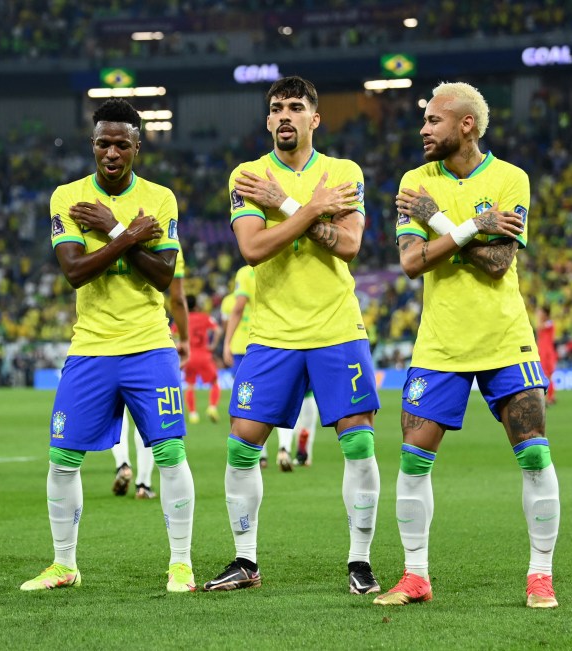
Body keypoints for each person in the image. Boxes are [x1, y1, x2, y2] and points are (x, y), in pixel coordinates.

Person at [375, 82, 559, 609]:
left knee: (534, 457)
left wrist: (440, 223)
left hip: (505, 340)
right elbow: (412, 263)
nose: (423, 128)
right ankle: (415, 577)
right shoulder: (416, 181)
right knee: (412, 462)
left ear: (465, 126)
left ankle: (540, 577)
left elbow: (500, 263)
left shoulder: (510, 179)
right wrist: (475, 227)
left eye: (433, 120)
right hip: (440, 345)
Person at [203, 76, 382, 594]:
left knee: (359, 443)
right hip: (273, 333)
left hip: (335, 328)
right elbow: (253, 250)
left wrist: (283, 206)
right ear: (267, 120)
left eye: (296, 107)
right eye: (276, 108)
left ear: (314, 119)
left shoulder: (343, 172)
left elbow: (348, 245)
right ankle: (245, 559)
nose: (285, 115)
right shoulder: (248, 174)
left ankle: (360, 561)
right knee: (242, 446)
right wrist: (308, 209)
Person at [22, 98, 196, 593]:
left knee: (170, 453)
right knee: (61, 459)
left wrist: (111, 230)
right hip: (91, 347)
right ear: (92, 145)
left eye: (123, 143)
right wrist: (128, 235)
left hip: (149, 345)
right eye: (104, 143)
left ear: (138, 146)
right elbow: (75, 271)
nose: (112, 152)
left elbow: (163, 277)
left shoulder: (161, 198)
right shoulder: (68, 198)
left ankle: (180, 564)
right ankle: (64, 565)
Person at [110, 248, 190, 500]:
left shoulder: (97, 235)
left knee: (117, 413)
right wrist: (185, 338)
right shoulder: (166, 244)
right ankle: (143, 483)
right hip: (147, 340)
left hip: (105, 338)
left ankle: (123, 464)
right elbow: (176, 298)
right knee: (147, 416)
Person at [222, 265, 316, 471]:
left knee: (248, 406)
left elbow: (238, 307)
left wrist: (226, 342)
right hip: (287, 342)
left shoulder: (246, 272)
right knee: (286, 400)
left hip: (248, 346)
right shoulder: (289, 264)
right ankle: (285, 448)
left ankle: (260, 455)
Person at [183, 294, 221, 424]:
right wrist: (213, 345)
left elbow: (172, 333)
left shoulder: (183, 319)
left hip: (189, 357)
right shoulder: (205, 317)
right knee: (215, 382)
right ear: (196, 305)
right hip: (204, 355)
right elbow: (218, 330)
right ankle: (212, 407)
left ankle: (193, 414)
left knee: (190, 386)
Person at [535, 306, 557, 405]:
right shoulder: (546, 323)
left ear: (545, 314)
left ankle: (550, 397)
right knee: (545, 375)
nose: (539, 314)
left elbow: (539, 326)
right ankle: (551, 396)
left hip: (547, 353)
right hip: (542, 352)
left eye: (541, 312)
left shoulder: (549, 323)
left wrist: (538, 317)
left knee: (547, 375)